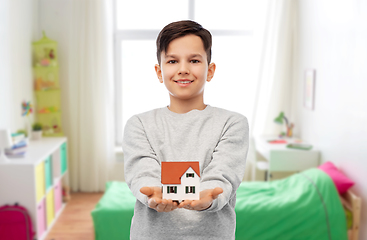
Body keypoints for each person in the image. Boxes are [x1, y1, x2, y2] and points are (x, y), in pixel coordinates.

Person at [122, 20, 249, 240]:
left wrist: (208, 196)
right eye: (172, 61)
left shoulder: (233, 123)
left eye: (194, 60)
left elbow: (223, 173)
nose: (183, 69)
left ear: (210, 70)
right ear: (159, 71)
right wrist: (152, 192)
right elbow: (142, 171)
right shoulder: (139, 124)